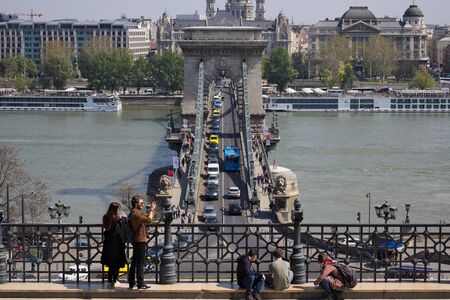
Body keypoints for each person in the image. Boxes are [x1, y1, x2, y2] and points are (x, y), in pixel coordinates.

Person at [128, 195, 156, 290]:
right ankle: (140, 283)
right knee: (140, 263)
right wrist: (152, 210)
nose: (143, 204)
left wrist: (150, 211)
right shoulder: (136, 214)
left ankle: (132, 282)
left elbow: (145, 217)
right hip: (140, 240)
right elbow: (149, 220)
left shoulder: (134, 212)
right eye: (141, 203)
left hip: (137, 240)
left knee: (135, 262)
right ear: (136, 203)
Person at [101, 202, 127, 289]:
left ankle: (109, 281)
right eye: (119, 208)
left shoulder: (105, 217)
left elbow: (106, 228)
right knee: (117, 263)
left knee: (111, 264)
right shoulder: (118, 218)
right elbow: (124, 227)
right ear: (116, 209)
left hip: (108, 244)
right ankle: (115, 280)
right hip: (118, 243)